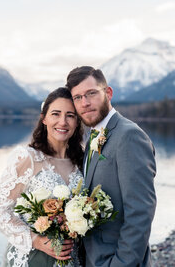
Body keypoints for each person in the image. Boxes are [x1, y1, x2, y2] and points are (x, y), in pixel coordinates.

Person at [66, 66, 156, 267]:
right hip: (92, 258)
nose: (85, 103)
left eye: (91, 93)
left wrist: (120, 263)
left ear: (108, 93)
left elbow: (140, 212)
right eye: (78, 97)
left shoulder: (129, 136)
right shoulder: (93, 135)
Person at [0, 87, 84, 267]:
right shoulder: (28, 158)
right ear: (44, 118)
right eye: (56, 114)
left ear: (77, 121)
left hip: (70, 259)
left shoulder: (81, 162)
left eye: (70, 115)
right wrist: (36, 240)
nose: (63, 122)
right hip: (32, 258)